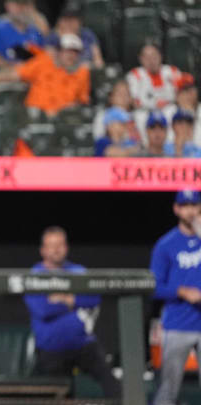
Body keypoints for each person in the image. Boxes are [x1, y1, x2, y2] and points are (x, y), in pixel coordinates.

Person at [24, 226, 120, 398]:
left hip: (83, 344)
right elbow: (43, 309)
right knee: (60, 395)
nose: (56, 250)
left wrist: (65, 299)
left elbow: (94, 299)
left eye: (59, 244)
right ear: (43, 250)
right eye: (51, 245)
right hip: (51, 349)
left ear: (66, 247)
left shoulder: (78, 271)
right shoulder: (35, 274)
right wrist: (74, 299)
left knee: (114, 386)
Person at [151, 190, 201, 405]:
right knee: (168, 389)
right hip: (178, 323)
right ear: (176, 209)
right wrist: (182, 291)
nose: (190, 210)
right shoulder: (166, 244)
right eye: (185, 205)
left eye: (194, 205)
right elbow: (153, 286)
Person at [0, 33, 90, 117]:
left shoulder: (82, 73)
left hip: (60, 120)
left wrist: (65, 110)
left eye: (75, 52)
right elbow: (12, 74)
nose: (71, 55)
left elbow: (82, 102)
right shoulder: (44, 62)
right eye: (67, 50)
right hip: (34, 116)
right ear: (58, 52)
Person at [0, 0, 45, 68]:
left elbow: (48, 52)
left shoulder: (35, 28)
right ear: (8, 5)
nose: (22, 8)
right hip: (12, 74)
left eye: (25, 4)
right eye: (18, 4)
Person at [45, 3, 103, 69]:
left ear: (80, 22)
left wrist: (91, 66)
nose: (69, 23)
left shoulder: (88, 34)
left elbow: (99, 61)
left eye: (73, 20)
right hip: (62, 74)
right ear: (60, 21)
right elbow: (50, 63)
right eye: (66, 20)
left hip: (86, 72)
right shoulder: (52, 37)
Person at [126, 44, 183, 111]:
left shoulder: (173, 71)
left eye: (154, 56)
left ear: (160, 56)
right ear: (140, 59)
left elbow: (184, 96)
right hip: (145, 112)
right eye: (146, 57)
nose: (151, 60)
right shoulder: (134, 75)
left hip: (171, 110)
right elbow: (134, 102)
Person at [163, 74, 201, 145]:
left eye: (192, 88)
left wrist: (190, 113)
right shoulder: (168, 111)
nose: (190, 93)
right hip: (174, 153)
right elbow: (167, 140)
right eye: (185, 90)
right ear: (177, 95)